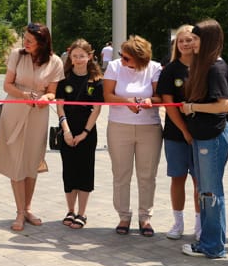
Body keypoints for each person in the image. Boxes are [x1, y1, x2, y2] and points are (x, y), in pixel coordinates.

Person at [0, 23, 63, 231]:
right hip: (14, 108)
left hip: (38, 114)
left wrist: (45, 98)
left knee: (31, 161)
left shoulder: (55, 62)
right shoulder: (17, 55)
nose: (26, 43)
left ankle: (28, 208)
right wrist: (23, 95)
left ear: (42, 42)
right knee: (16, 161)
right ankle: (19, 211)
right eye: (25, 39)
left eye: (30, 41)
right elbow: (7, 85)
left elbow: (52, 92)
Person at [179, 20, 228, 259]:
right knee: (205, 191)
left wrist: (192, 107)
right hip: (203, 136)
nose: (192, 44)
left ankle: (213, 246)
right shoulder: (204, 66)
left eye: (197, 39)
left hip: (213, 136)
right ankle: (209, 242)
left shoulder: (216, 68)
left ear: (209, 40)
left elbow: (224, 105)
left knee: (210, 193)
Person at [103, 35, 163, 236]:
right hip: (119, 126)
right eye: (121, 55)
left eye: (127, 58)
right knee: (121, 174)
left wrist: (149, 102)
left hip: (149, 127)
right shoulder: (114, 66)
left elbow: (159, 96)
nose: (122, 60)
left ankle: (145, 217)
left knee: (147, 175)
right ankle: (123, 216)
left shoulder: (155, 68)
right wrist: (126, 101)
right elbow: (108, 95)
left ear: (141, 59)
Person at [156, 25, 201, 241]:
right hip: (176, 134)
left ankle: (200, 224)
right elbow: (168, 104)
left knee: (199, 181)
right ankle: (178, 222)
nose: (185, 44)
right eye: (181, 41)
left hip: (202, 134)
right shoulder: (170, 70)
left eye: (189, 40)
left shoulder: (205, 67)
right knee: (178, 178)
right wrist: (184, 130)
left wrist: (193, 132)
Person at [56, 39, 103, 230]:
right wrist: (66, 131)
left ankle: (82, 213)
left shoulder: (97, 81)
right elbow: (60, 106)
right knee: (69, 172)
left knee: (84, 172)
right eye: (74, 56)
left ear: (89, 56)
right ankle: (70, 210)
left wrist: (84, 133)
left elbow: (97, 110)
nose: (78, 59)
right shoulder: (63, 79)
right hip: (67, 131)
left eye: (82, 56)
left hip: (87, 133)